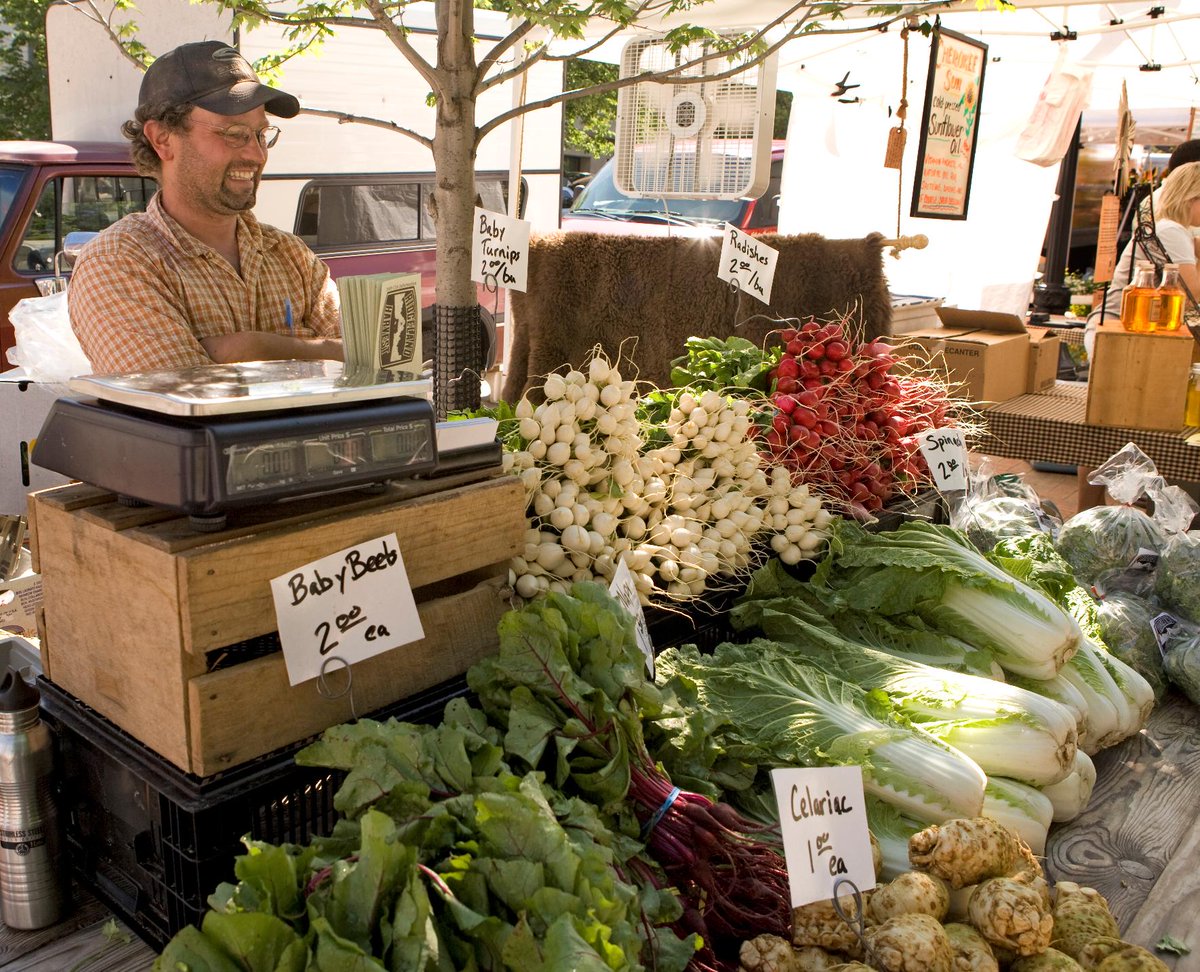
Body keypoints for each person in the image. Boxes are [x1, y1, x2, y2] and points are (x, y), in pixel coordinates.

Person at [69, 41, 342, 374]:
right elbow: (187, 407)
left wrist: (246, 348)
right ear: (163, 139)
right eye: (234, 133)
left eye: (261, 134)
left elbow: (375, 365)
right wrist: (323, 352)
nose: (257, 154)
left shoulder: (292, 256)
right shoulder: (118, 262)